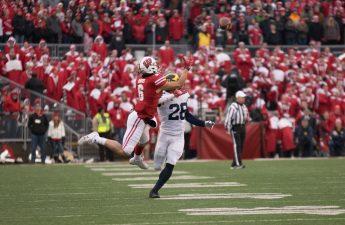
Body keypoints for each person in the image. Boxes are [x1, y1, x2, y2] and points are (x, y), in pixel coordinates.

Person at [78, 56, 190, 169]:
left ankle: (137, 158)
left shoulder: (142, 78)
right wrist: (186, 68)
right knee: (125, 152)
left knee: (145, 140)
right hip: (139, 117)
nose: (157, 67)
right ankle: (96, 138)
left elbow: (155, 90)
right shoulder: (153, 79)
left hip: (145, 114)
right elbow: (179, 84)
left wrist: (169, 92)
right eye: (154, 65)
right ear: (150, 69)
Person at [149, 73, 215, 198]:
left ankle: (155, 190)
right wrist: (172, 95)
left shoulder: (183, 96)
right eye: (173, 84)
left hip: (178, 136)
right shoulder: (160, 96)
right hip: (164, 135)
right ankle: (159, 178)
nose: (177, 86)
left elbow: (187, 115)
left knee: (171, 163)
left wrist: (203, 123)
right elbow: (156, 102)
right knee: (157, 166)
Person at [224, 91, 249, 169]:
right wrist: (228, 128)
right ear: (238, 98)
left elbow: (246, 117)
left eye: (244, 97)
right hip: (235, 127)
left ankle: (234, 163)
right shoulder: (233, 106)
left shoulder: (244, 106)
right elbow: (228, 118)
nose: (244, 99)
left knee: (240, 146)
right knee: (237, 146)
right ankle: (238, 164)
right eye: (242, 97)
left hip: (242, 126)